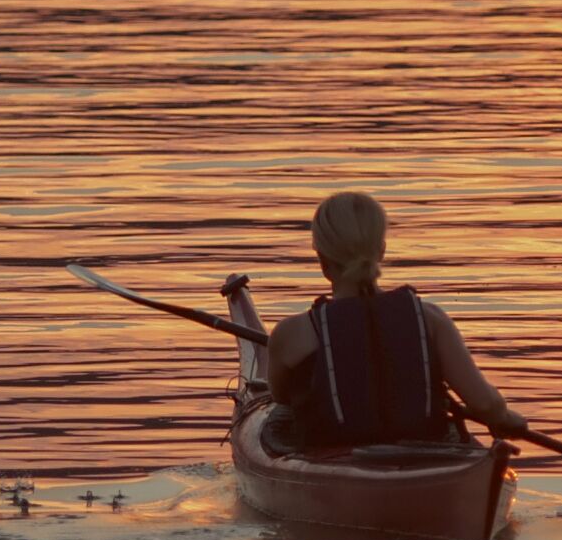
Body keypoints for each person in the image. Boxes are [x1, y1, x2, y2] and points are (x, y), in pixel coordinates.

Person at [224, 191, 530, 452]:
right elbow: (485, 405)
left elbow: (280, 396)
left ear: (322, 260)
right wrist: (504, 417)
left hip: (334, 455)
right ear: (381, 251)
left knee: (278, 420)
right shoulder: (431, 320)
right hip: (428, 454)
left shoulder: (292, 334)